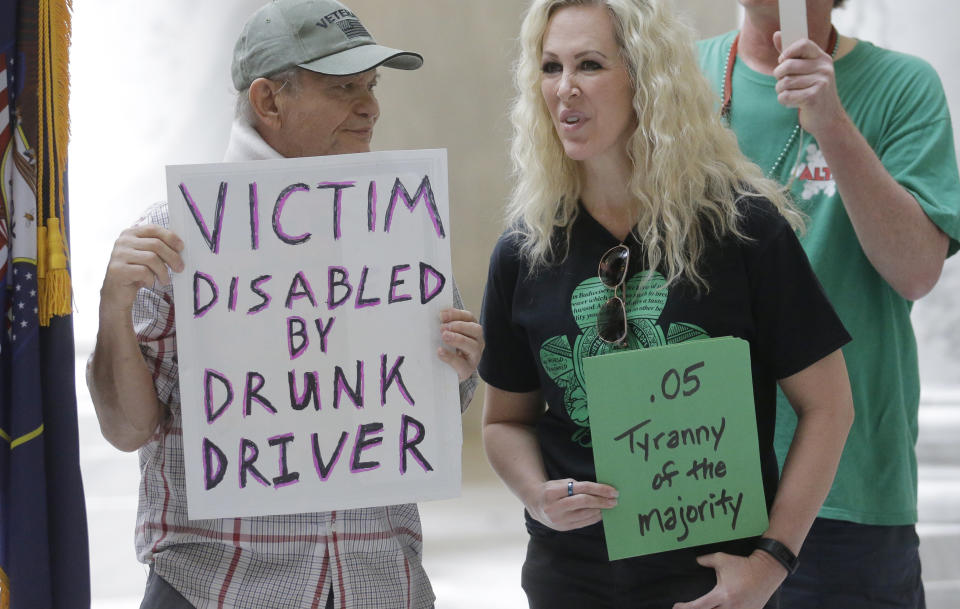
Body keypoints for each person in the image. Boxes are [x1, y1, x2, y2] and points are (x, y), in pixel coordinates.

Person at [85, 1, 483, 608]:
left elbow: (422, 413)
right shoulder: (174, 241)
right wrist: (113, 310)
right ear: (269, 101)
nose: (371, 106)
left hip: (378, 584)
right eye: (344, 87)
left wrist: (457, 363)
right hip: (217, 589)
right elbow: (128, 428)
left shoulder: (400, 230)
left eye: (370, 86)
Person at [478, 1, 856, 607]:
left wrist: (770, 564)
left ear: (646, 77)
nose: (565, 88)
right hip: (568, 581)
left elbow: (830, 409)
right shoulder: (525, 249)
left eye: (590, 64)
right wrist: (536, 496)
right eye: (550, 67)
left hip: (710, 587)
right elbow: (504, 421)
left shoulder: (744, 230)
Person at [698, 2, 960, 607]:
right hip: (696, 475)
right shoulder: (681, 78)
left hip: (851, 488)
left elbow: (917, 270)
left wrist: (833, 124)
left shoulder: (902, 85)